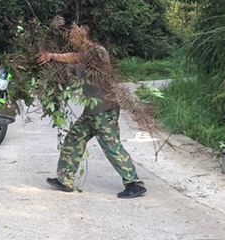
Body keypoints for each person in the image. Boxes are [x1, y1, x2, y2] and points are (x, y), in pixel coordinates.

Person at [38, 25, 147, 199]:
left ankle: (134, 183)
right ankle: (65, 180)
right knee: (73, 139)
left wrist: (53, 56)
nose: (70, 40)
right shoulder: (79, 58)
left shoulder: (98, 52)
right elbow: (70, 71)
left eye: (73, 36)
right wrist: (55, 76)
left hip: (105, 110)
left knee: (111, 146)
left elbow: (79, 58)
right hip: (91, 112)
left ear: (83, 36)